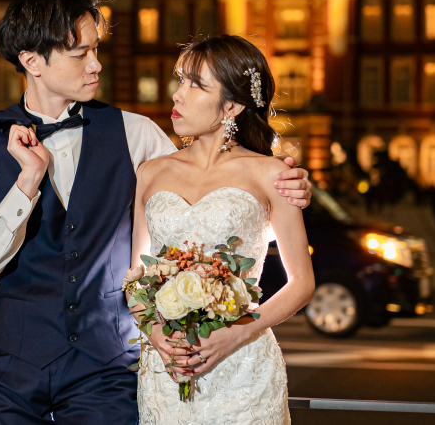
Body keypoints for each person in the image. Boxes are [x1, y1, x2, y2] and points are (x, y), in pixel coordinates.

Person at [0, 0, 312, 424]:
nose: (96, 64)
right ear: (32, 62)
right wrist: (26, 184)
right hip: (7, 369)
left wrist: (292, 190)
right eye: (80, 53)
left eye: (96, 49)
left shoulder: (136, 133)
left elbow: (211, 192)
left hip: (104, 371)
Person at [130, 35, 315, 424]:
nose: (178, 95)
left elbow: (302, 283)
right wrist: (157, 336)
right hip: (169, 366)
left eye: (195, 85)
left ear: (231, 105)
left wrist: (238, 332)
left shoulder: (272, 174)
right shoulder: (151, 173)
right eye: (180, 80)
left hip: (242, 367)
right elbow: (136, 276)